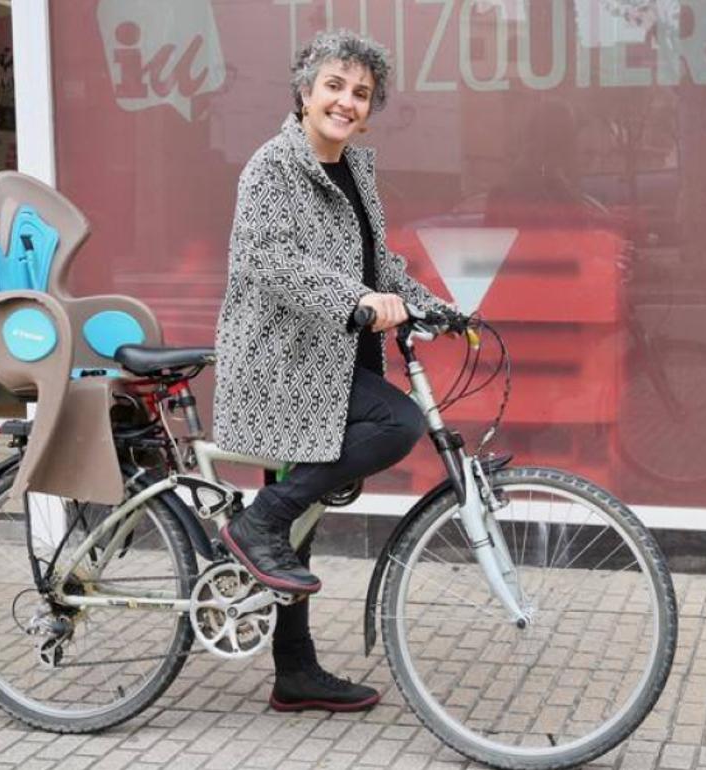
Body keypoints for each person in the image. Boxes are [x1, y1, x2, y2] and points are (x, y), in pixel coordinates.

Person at [212, 29, 446, 713]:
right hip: (280, 364)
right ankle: (259, 521)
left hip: (329, 361)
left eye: (361, 93)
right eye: (335, 87)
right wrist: (356, 301)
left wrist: (439, 309)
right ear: (305, 93)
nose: (346, 101)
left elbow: (380, 270)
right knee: (396, 422)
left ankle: (295, 671)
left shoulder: (353, 171)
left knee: (301, 529)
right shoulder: (271, 168)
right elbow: (271, 261)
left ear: (370, 112)